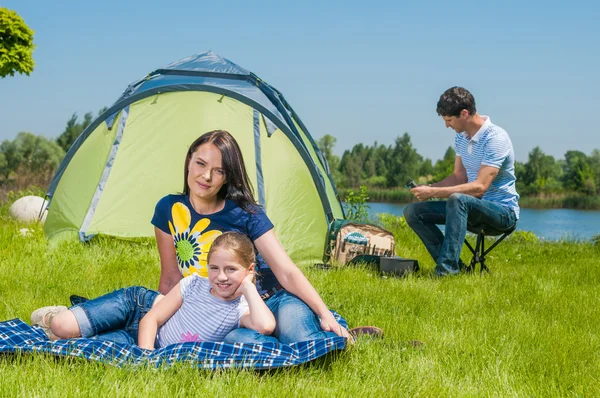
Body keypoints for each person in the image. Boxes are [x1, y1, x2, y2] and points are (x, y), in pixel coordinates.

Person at [150, 130, 366, 344]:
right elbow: (170, 278)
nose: (206, 176)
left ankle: (337, 334)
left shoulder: (246, 213)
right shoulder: (168, 209)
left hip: (271, 299)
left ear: (227, 178)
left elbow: (287, 272)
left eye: (219, 171)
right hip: (226, 312)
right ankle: (280, 340)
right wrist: (161, 324)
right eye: (201, 163)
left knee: (301, 339)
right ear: (189, 161)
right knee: (238, 342)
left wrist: (324, 313)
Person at [30, 232, 276, 349]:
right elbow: (152, 318)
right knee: (61, 326)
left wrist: (248, 286)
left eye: (231, 269)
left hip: (142, 339)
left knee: (76, 349)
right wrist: (146, 359)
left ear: (249, 269)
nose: (221, 277)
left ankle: (82, 320)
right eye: (214, 268)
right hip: (138, 308)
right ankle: (58, 315)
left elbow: (265, 326)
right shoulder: (193, 283)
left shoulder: (240, 309)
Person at [403, 87, 519, 276]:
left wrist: (433, 193)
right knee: (413, 212)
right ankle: (458, 269)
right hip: (467, 209)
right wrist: (429, 188)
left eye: (449, 120)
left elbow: (479, 188)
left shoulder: (496, 138)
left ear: (464, 114)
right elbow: (459, 176)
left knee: (458, 199)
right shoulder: (461, 138)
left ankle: (446, 272)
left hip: (502, 213)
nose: (447, 125)